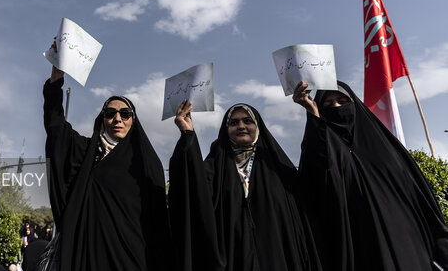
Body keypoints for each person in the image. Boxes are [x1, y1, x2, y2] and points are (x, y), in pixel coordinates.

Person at [293, 80, 448, 271]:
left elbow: (420, 201)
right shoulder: (327, 150)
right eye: (328, 104)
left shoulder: (387, 150)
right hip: (359, 252)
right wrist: (313, 114)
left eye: (342, 101)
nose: (337, 107)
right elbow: (319, 172)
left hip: (408, 249)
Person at [43, 59, 171, 271]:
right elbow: (55, 126)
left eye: (125, 114)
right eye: (110, 114)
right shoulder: (86, 153)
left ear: (133, 120)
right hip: (87, 255)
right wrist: (56, 80)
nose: (117, 119)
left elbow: (158, 225)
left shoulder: (147, 163)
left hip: (133, 258)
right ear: (102, 119)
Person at [169, 100, 321, 271]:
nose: (241, 126)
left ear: (258, 127)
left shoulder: (279, 169)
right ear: (226, 130)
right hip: (232, 257)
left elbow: (317, 174)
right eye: (234, 123)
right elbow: (193, 193)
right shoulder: (214, 167)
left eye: (247, 121)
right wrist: (187, 134)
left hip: (277, 256)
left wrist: (313, 113)